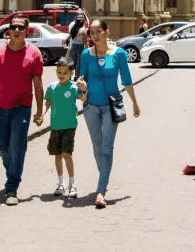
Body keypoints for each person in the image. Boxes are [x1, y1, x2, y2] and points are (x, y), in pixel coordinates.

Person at [0, 14, 45, 207]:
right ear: (8, 30)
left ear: (27, 31)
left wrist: (39, 111)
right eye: (13, 27)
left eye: (21, 28)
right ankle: (12, 170)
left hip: (22, 108)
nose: (17, 31)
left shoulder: (34, 54)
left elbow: (38, 84)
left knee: (17, 147)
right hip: (1, 107)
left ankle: (12, 187)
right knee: (2, 144)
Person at [76, 19, 140, 209]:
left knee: (107, 146)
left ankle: (101, 190)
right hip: (90, 107)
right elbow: (81, 79)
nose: (95, 36)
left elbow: (127, 80)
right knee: (97, 147)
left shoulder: (119, 54)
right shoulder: (87, 55)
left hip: (111, 107)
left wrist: (135, 103)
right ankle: (104, 176)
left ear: (107, 32)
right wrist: (81, 85)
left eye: (98, 32)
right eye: (92, 33)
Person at [45, 57, 86, 198]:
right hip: (55, 126)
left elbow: (83, 99)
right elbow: (47, 103)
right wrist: (40, 115)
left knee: (66, 154)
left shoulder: (74, 87)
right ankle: (60, 183)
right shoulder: (51, 87)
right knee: (57, 154)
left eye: (65, 73)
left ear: (71, 73)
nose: (61, 76)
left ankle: (72, 184)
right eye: (59, 72)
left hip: (69, 125)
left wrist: (84, 90)